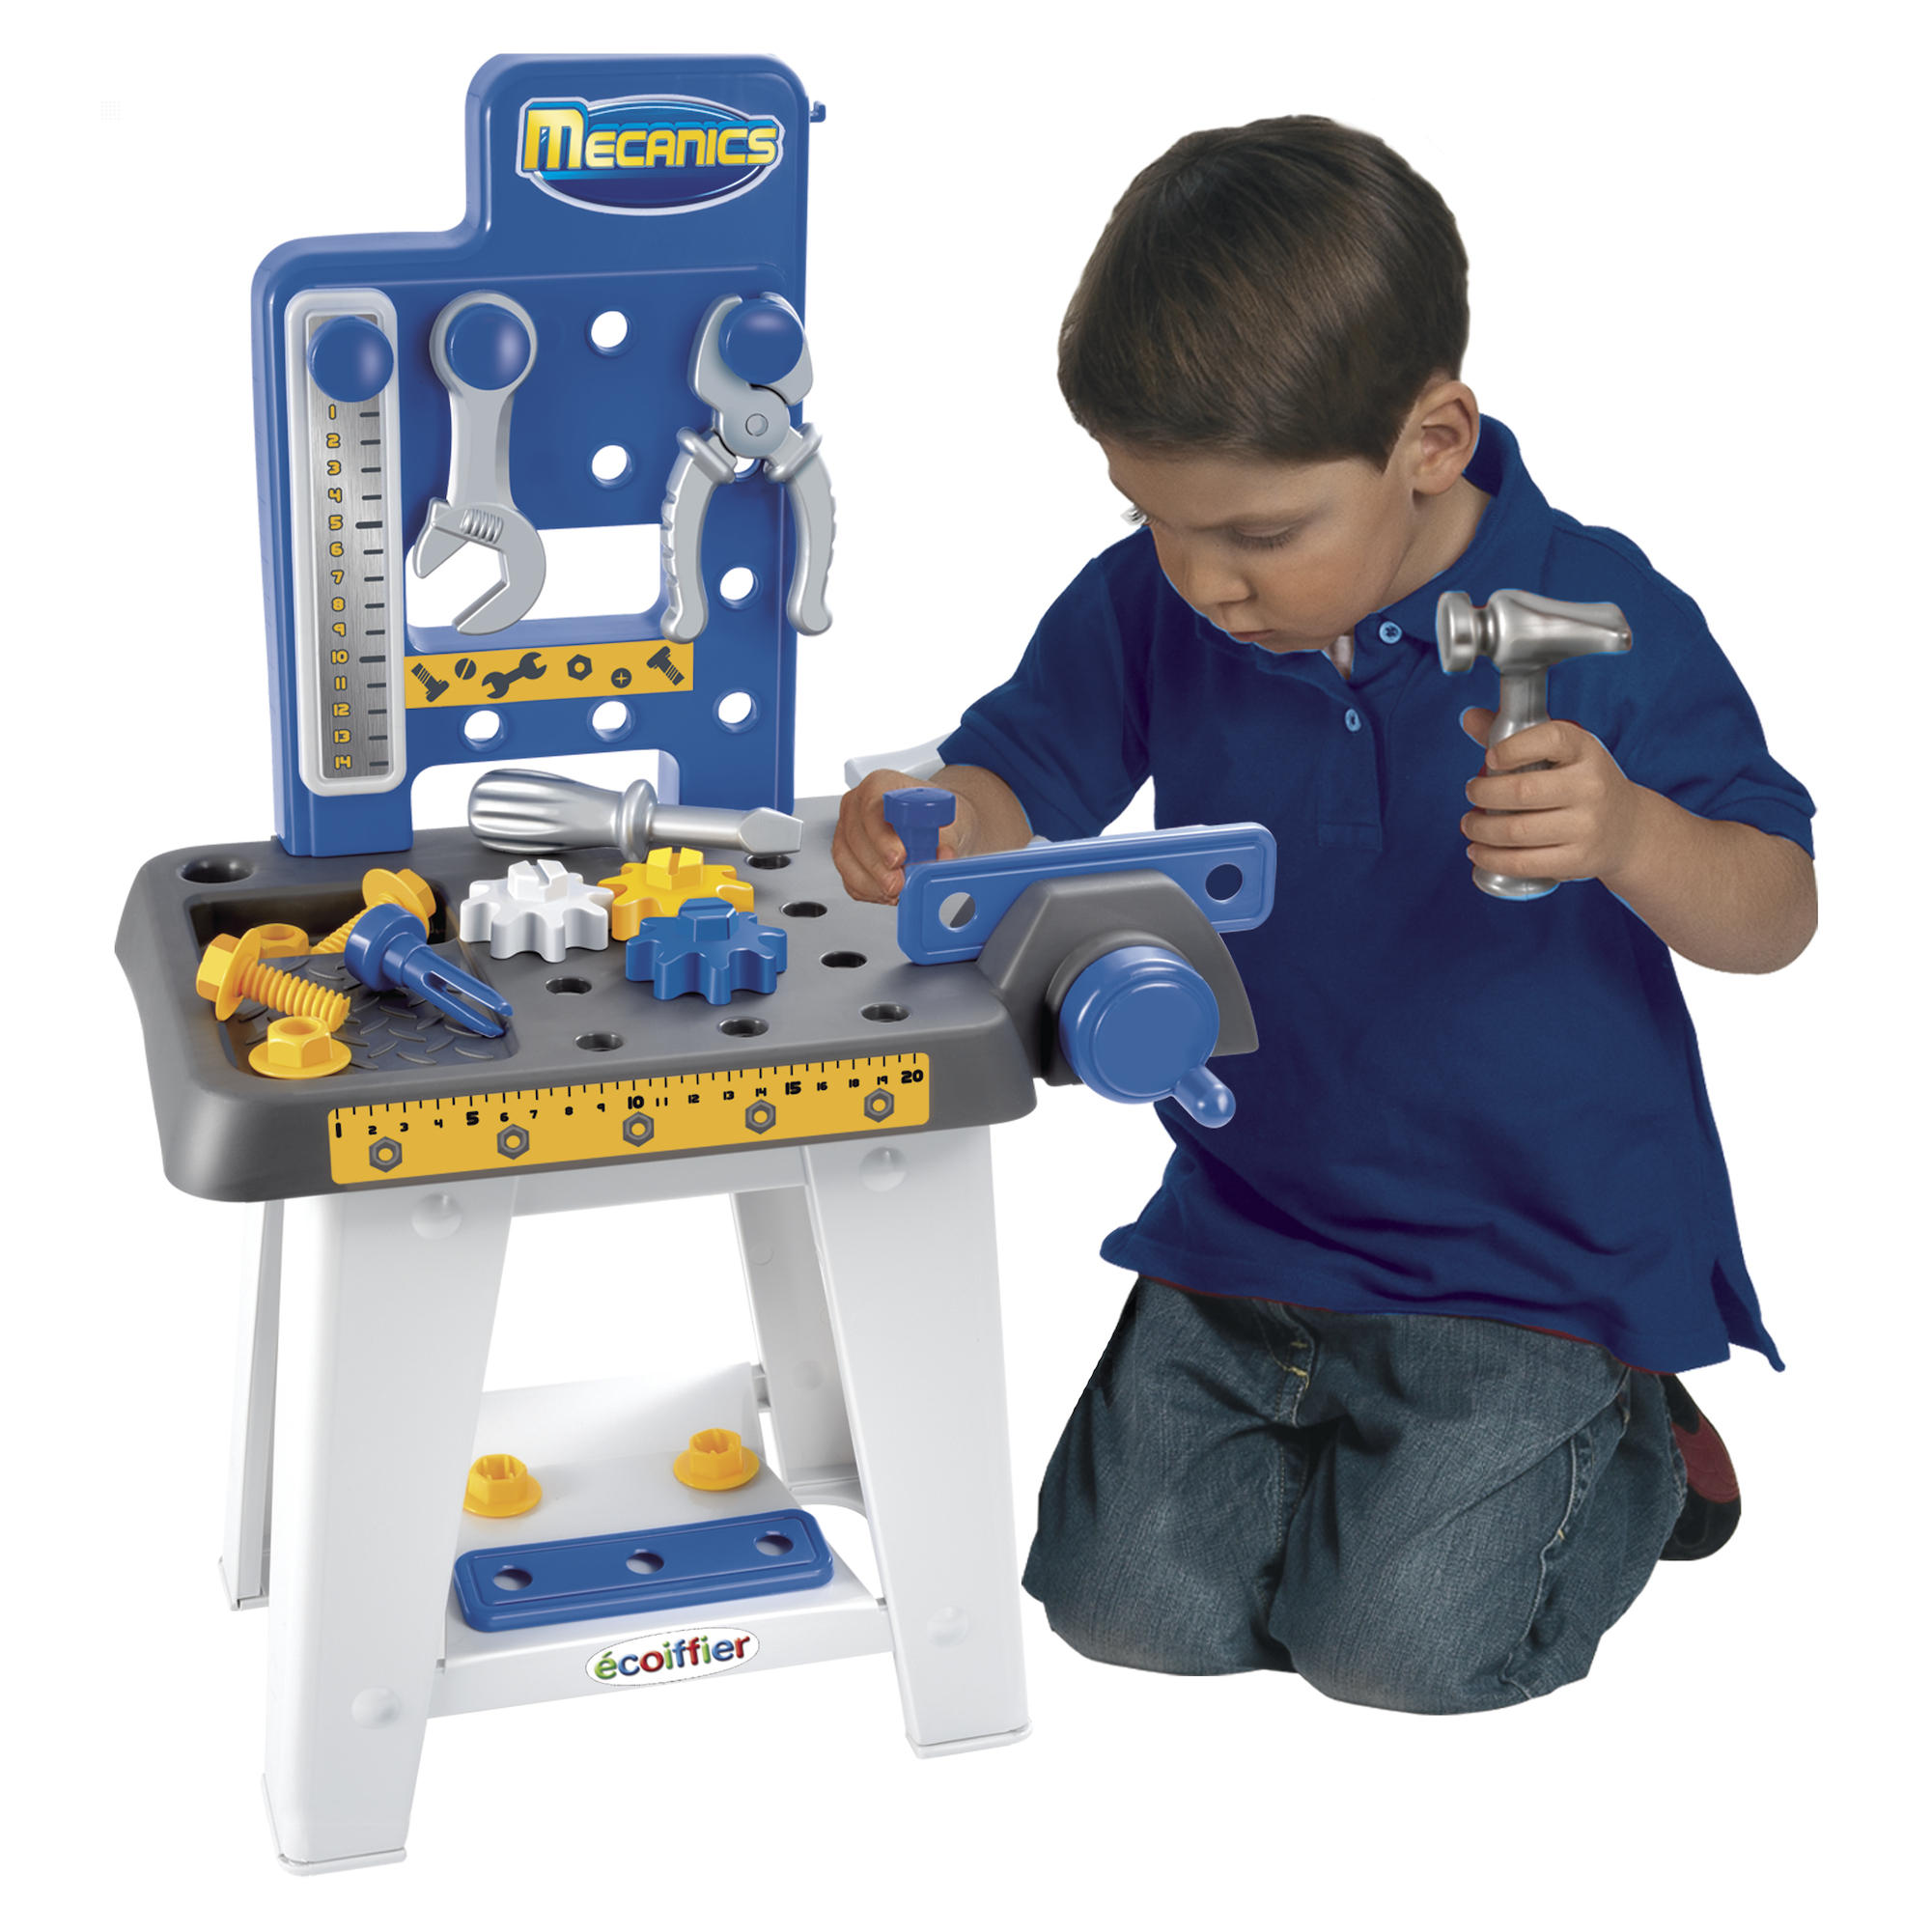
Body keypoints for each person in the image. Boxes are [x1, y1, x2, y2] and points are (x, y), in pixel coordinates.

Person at [831, 117, 1815, 1714]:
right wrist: (931, 819)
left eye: (1258, 535)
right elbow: (1021, 772)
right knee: (1122, 1611)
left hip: (1533, 1249)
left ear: (1430, 439)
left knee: (1396, 1653)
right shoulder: (1156, 602)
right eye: (1152, 516)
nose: (1198, 578)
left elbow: (1774, 910)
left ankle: (1633, 1424)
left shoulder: (1599, 608)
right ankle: (1392, 1483)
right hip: (1255, 1218)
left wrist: (1631, 832)